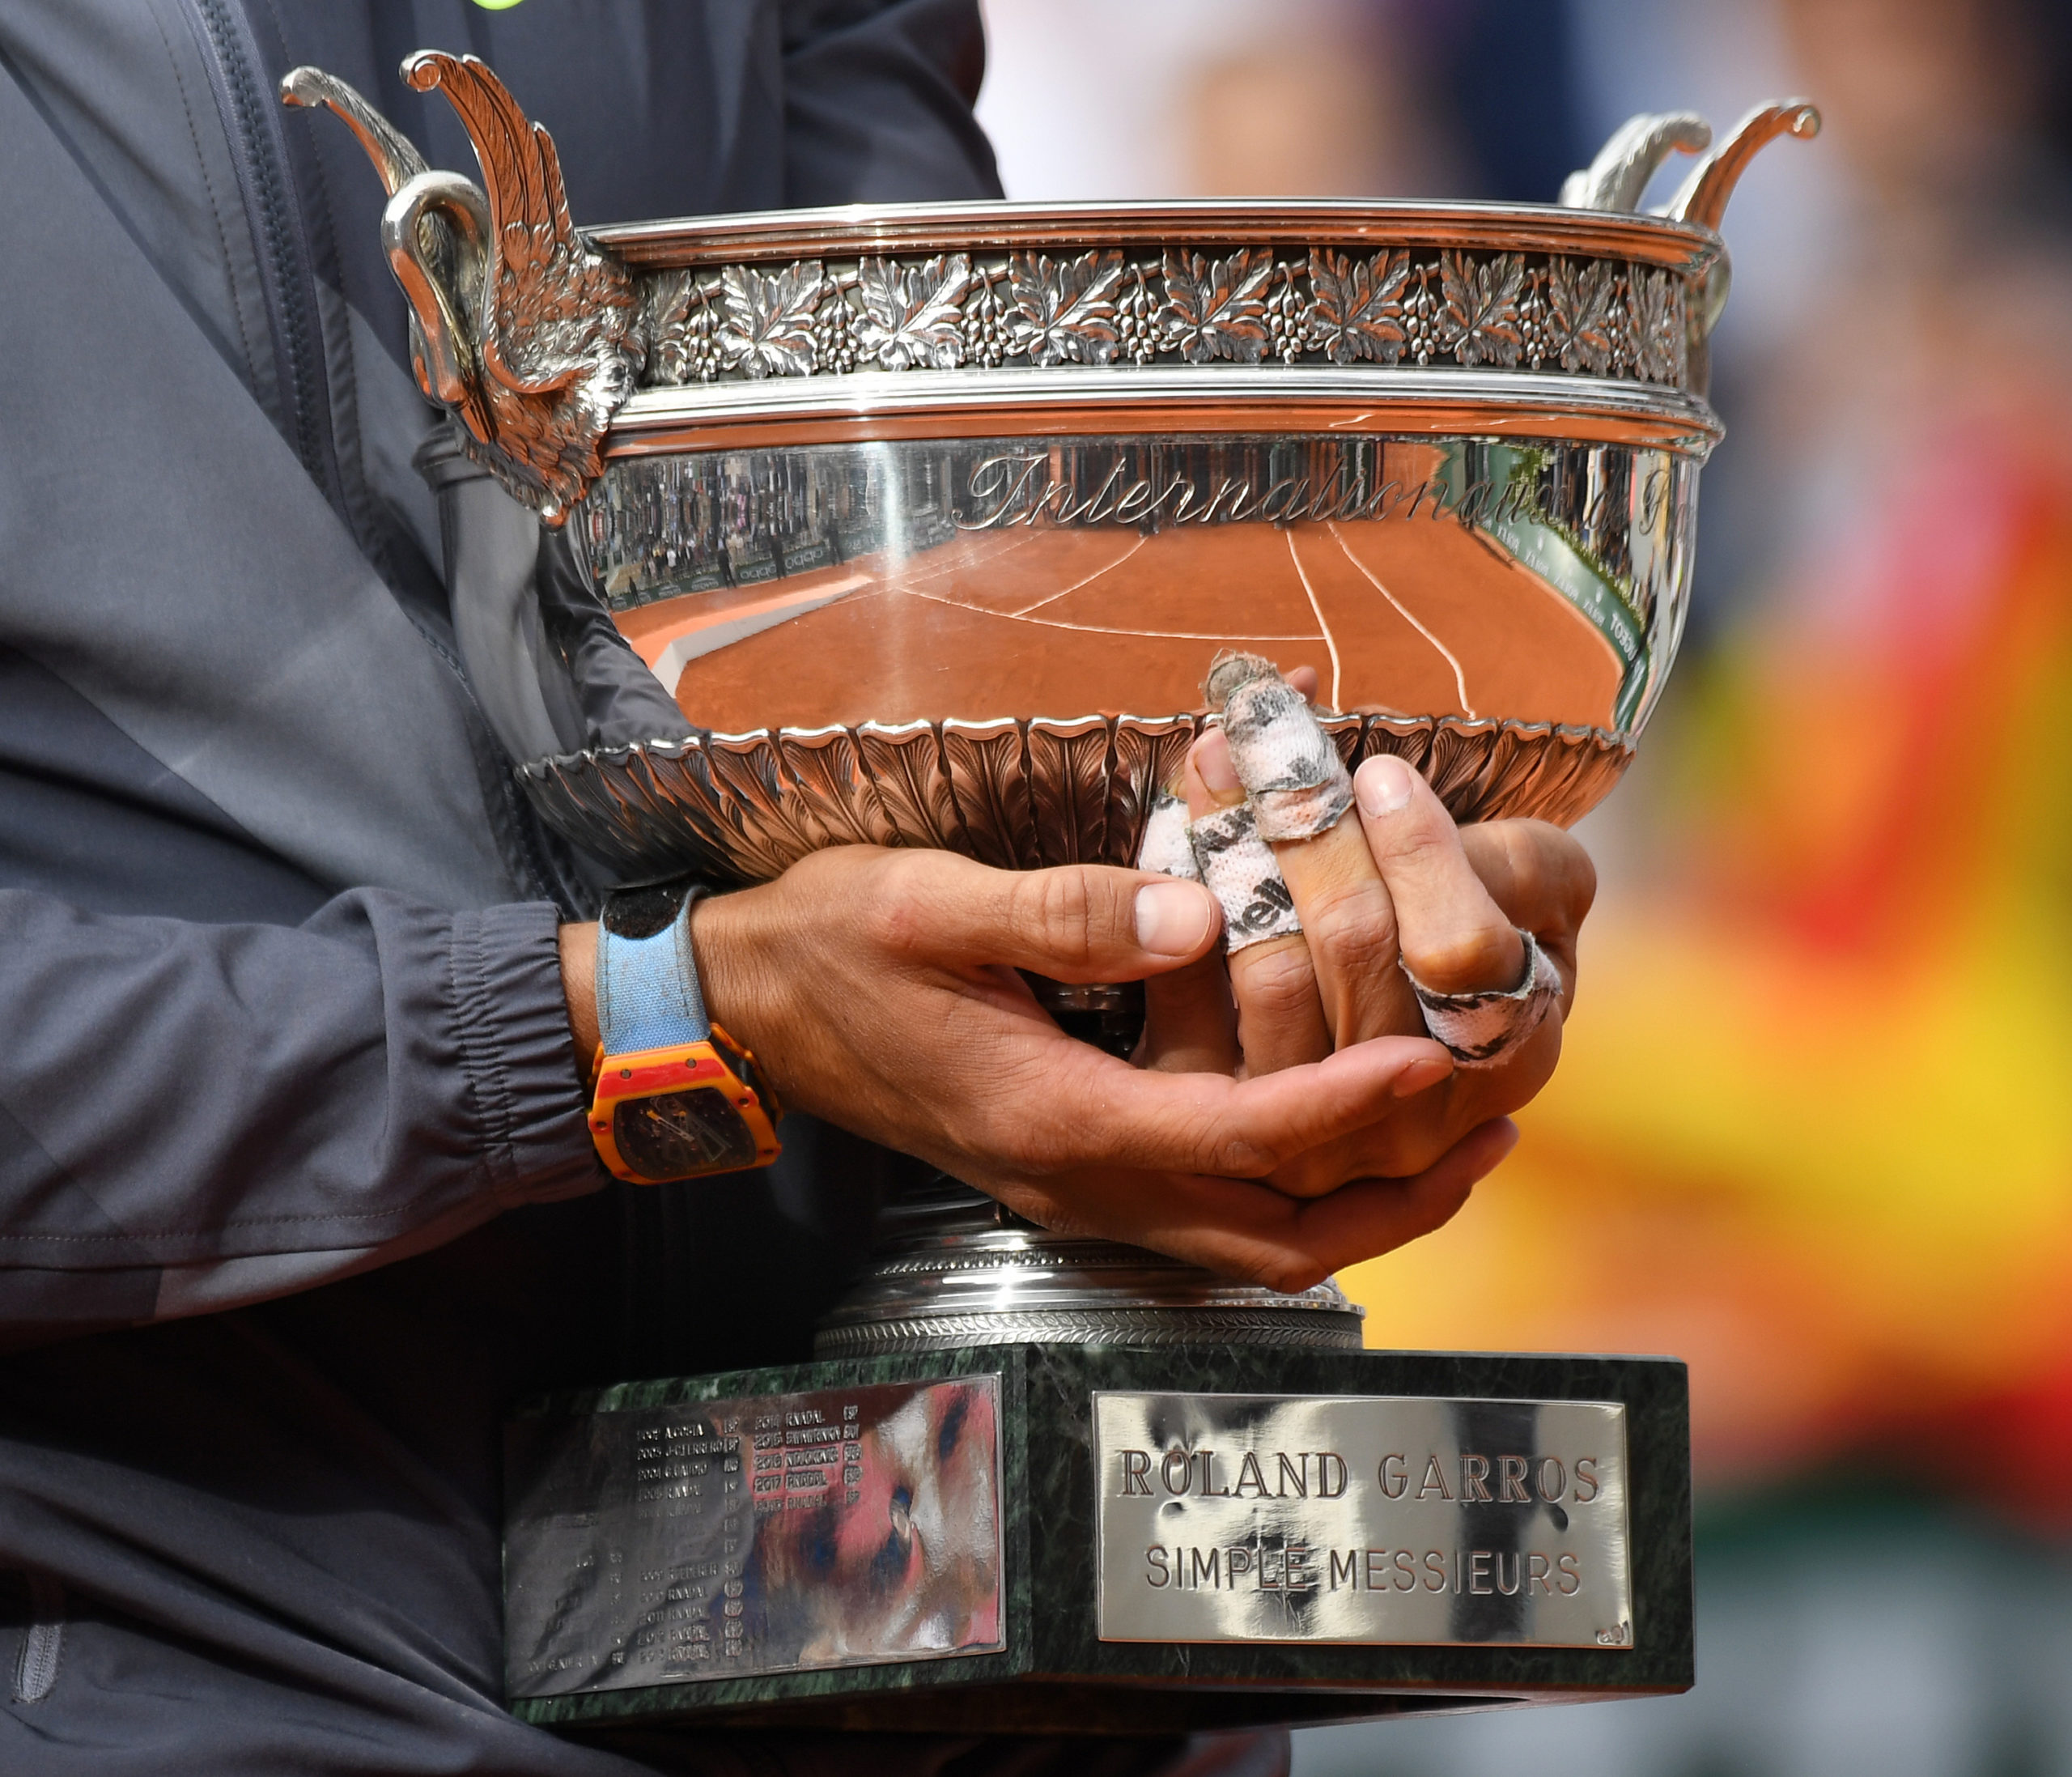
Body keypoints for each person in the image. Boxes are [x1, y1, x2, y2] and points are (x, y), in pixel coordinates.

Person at [0, 3, 1594, 1773]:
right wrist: (648, 1016)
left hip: (984, 1690)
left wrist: (1251, 897)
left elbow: (958, 582)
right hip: (208, 1676)